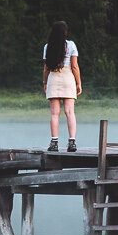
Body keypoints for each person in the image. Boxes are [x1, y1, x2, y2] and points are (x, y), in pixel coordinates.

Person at [42, 19, 82, 151]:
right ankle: (72, 142)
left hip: (54, 78)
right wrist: (79, 83)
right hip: (68, 78)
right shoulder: (71, 45)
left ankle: (54, 143)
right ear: (65, 32)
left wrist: (45, 83)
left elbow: (46, 69)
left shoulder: (48, 47)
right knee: (70, 112)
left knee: (54, 113)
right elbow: (75, 66)